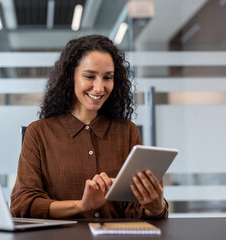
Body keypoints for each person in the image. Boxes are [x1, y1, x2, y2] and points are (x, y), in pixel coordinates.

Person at [10, 35, 168, 219]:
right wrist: (81, 205)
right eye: (89, 76)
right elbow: (22, 204)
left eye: (107, 77)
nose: (99, 88)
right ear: (71, 77)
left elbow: (133, 210)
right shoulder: (39, 133)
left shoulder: (127, 131)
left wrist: (155, 207)